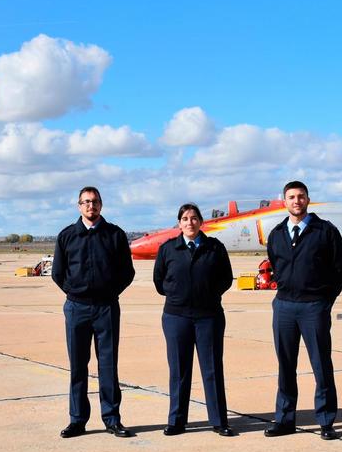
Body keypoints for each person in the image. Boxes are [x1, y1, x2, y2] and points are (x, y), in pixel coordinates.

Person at [264, 181, 342, 440]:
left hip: (314, 307)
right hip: (285, 307)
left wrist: (325, 300)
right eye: (291, 197)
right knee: (285, 366)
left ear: (308, 199)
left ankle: (325, 421)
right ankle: (285, 419)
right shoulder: (277, 233)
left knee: (321, 364)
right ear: (284, 201)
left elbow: (340, 269)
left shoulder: (325, 231)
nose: (296, 201)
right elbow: (275, 265)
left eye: (301, 196)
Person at [52, 186, 135, 438]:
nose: (91, 206)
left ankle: (111, 418)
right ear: (79, 206)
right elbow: (58, 272)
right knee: (78, 365)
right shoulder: (67, 236)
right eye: (86, 202)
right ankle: (77, 419)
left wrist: (109, 292)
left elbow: (127, 272)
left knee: (108, 365)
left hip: (106, 308)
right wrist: (76, 292)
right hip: (76, 308)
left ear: (101, 205)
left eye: (95, 201)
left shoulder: (115, 235)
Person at [153, 203, 235, 437]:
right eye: (185, 218)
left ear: (201, 222)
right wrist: (178, 295)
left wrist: (207, 295)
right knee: (179, 370)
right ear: (179, 223)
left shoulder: (214, 248)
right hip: (176, 317)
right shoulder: (168, 249)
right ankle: (177, 420)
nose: (190, 222)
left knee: (212, 368)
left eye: (194, 218)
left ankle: (219, 421)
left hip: (208, 317)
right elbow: (159, 281)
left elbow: (226, 279)